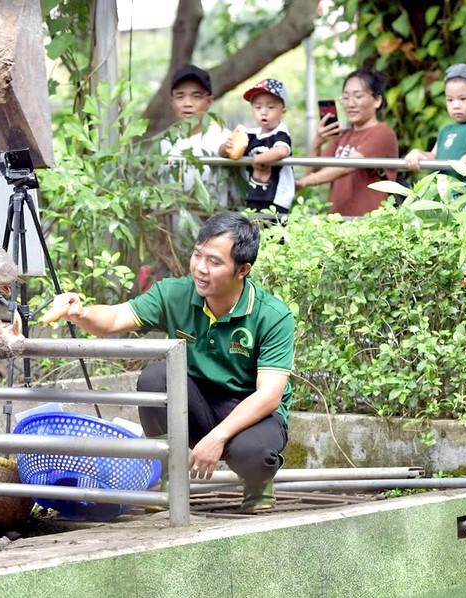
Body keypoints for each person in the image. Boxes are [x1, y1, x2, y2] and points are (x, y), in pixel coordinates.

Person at [50, 212, 295, 512]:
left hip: (250, 412)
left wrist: (218, 436)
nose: (201, 269)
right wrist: (82, 313)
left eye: (215, 262)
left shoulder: (273, 315)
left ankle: (258, 486)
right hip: (194, 403)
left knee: (254, 452)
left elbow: (269, 395)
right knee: (155, 378)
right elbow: (114, 318)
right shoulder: (174, 294)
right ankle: (170, 473)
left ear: (242, 269)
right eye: (197, 255)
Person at [295, 68, 399, 217]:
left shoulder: (383, 133)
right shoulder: (342, 136)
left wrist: (303, 182)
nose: (350, 104)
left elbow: (347, 166)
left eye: (358, 96)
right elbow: (315, 172)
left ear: (377, 100)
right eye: (345, 97)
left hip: (370, 224)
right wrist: (317, 143)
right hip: (337, 224)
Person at [404, 63, 466, 178]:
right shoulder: (446, 130)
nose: (456, 105)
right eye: (450, 100)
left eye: (463, 99)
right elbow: (434, 155)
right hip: (444, 193)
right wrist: (418, 153)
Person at [219, 78, 294, 214]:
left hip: (277, 199)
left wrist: (258, 159)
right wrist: (226, 147)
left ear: (283, 112)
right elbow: (225, 152)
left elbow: (282, 151)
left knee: (275, 232)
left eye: (270, 107)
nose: (263, 112)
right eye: (258, 107)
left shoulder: (280, 133)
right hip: (253, 195)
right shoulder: (250, 135)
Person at [160, 64, 231, 201]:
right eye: (180, 96)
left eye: (196, 96)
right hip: (175, 219)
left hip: (216, 218)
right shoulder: (165, 142)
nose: (188, 103)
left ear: (209, 101)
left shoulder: (225, 139)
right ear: (172, 102)